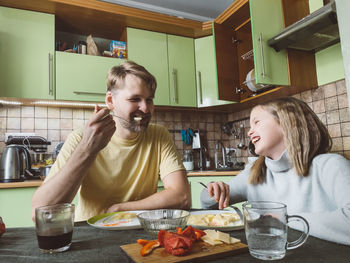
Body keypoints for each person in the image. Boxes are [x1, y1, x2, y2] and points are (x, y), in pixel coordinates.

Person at [32, 61, 191, 221]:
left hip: (139, 232)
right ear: (110, 101)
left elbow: (182, 196)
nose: (145, 108)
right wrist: (88, 149)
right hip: (92, 234)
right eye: (135, 99)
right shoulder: (81, 138)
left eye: (149, 100)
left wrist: (120, 209)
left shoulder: (158, 135)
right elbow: (42, 212)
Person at [201, 97, 350, 245]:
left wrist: (285, 219)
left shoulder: (330, 166)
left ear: (288, 122)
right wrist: (214, 189)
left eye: (257, 122)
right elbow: (208, 205)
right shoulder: (255, 172)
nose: (249, 132)